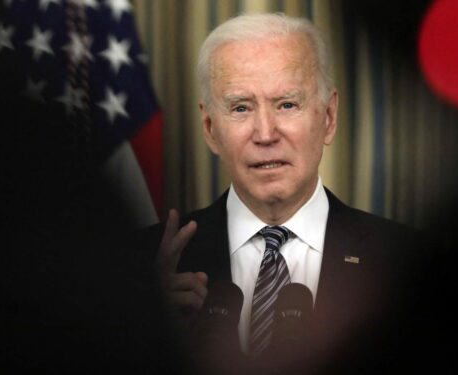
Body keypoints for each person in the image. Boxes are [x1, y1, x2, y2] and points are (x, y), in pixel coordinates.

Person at [140, 13, 433, 373]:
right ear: (210, 129)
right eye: (241, 108)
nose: (265, 133)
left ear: (328, 117)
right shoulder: (141, 270)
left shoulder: (408, 264)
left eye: (287, 104)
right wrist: (147, 337)